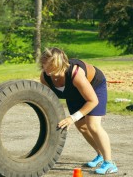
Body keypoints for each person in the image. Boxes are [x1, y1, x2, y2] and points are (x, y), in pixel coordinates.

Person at [39, 47, 118, 175]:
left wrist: (72, 117)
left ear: (59, 64)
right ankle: (100, 155)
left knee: (92, 124)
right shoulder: (45, 77)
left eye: (49, 66)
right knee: (82, 126)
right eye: (44, 65)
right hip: (73, 92)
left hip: (94, 86)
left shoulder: (75, 74)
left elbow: (93, 101)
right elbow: (48, 99)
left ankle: (109, 163)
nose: (46, 69)